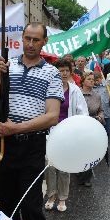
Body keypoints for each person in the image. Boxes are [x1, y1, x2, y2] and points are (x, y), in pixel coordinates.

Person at [0, 22, 63, 220]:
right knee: (5, 209)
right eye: (27, 38)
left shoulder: (52, 73)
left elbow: (52, 115)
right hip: (5, 146)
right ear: (22, 39)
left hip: (31, 146)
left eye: (36, 39)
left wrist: (16, 128)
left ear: (44, 42)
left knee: (31, 209)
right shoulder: (8, 66)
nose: (30, 43)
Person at [45, 59, 88, 210]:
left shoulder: (74, 90)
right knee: (49, 166)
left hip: (67, 134)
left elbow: (83, 112)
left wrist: (78, 132)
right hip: (50, 132)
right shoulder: (47, 88)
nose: (63, 73)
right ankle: (51, 195)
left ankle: (62, 198)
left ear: (70, 72)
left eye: (66, 70)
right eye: (60, 70)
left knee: (64, 167)